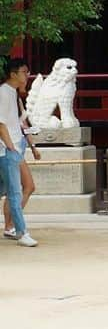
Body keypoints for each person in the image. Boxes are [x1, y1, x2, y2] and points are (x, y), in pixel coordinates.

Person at [0, 59, 37, 247]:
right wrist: (10, 147)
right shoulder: (3, 93)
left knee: (7, 190)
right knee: (15, 191)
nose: (27, 75)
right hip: (8, 149)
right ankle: (21, 232)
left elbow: (20, 124)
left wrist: (29, 146)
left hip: (15, 147)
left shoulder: (13, 93)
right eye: (24, 72)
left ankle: (12, 227)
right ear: (13, 74)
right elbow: (1, 124)